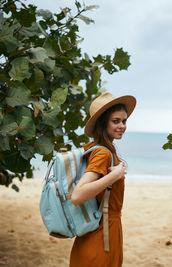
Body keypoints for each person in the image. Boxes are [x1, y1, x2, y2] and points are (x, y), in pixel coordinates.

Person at [69, 92, 136, 267]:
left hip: (104, 229)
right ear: (102, 123)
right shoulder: (102, 152)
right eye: (116, 121)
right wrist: (115, 175)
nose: (122, 126)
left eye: (124, 121)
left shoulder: (101, 149)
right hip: (101, 235)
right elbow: (77, 195)